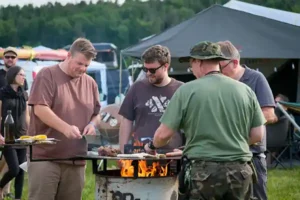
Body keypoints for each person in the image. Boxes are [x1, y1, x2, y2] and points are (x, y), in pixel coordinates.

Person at [144, 41, 266, 200]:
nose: (191, 69)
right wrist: (229, 144)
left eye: (191, 64)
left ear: (198, 62)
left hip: (204, 173)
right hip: (241, 171)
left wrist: (151, 146)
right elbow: (258, 134)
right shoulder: (245, 90)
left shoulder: (187, 91)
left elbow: (163, 135)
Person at [27, 38, 101, 200]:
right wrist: (65, 128)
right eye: (79, 63)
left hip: (76, 159)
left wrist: (92, 124)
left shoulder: (91, 83)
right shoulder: (47, 75)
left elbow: (97, 113)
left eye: (86, 66)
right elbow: (39, 108)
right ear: (68, 56)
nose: (82, 69)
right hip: (46, 158)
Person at [218, 40, 277, 200]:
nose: (217, 70)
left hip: (251, 155)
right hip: (221, 156)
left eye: (221, 66)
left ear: (235, 62)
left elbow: (269, 114)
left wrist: (238, 130)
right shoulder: (218, 83)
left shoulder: (256, 78)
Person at [118, 45, 184, 153]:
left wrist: (185, 151)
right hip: (142, 154)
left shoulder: (181, 89)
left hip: (172, 155)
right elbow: (126, 120)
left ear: (165, 66)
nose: (148, 73)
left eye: (152, 70)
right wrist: (122, 152)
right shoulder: (137, 88)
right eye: (145, 69)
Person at [0, 47, 28, 198]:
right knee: (14, 169)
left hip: (22, 135)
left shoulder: (23, 93)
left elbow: (27, 114)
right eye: (21, 75)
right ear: (13, 76)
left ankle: (18, 198)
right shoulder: (2, 92)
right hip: (7, 134)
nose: (24, 77)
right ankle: (0, 186)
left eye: (24, 75)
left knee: (22, 171)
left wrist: (30, 133)